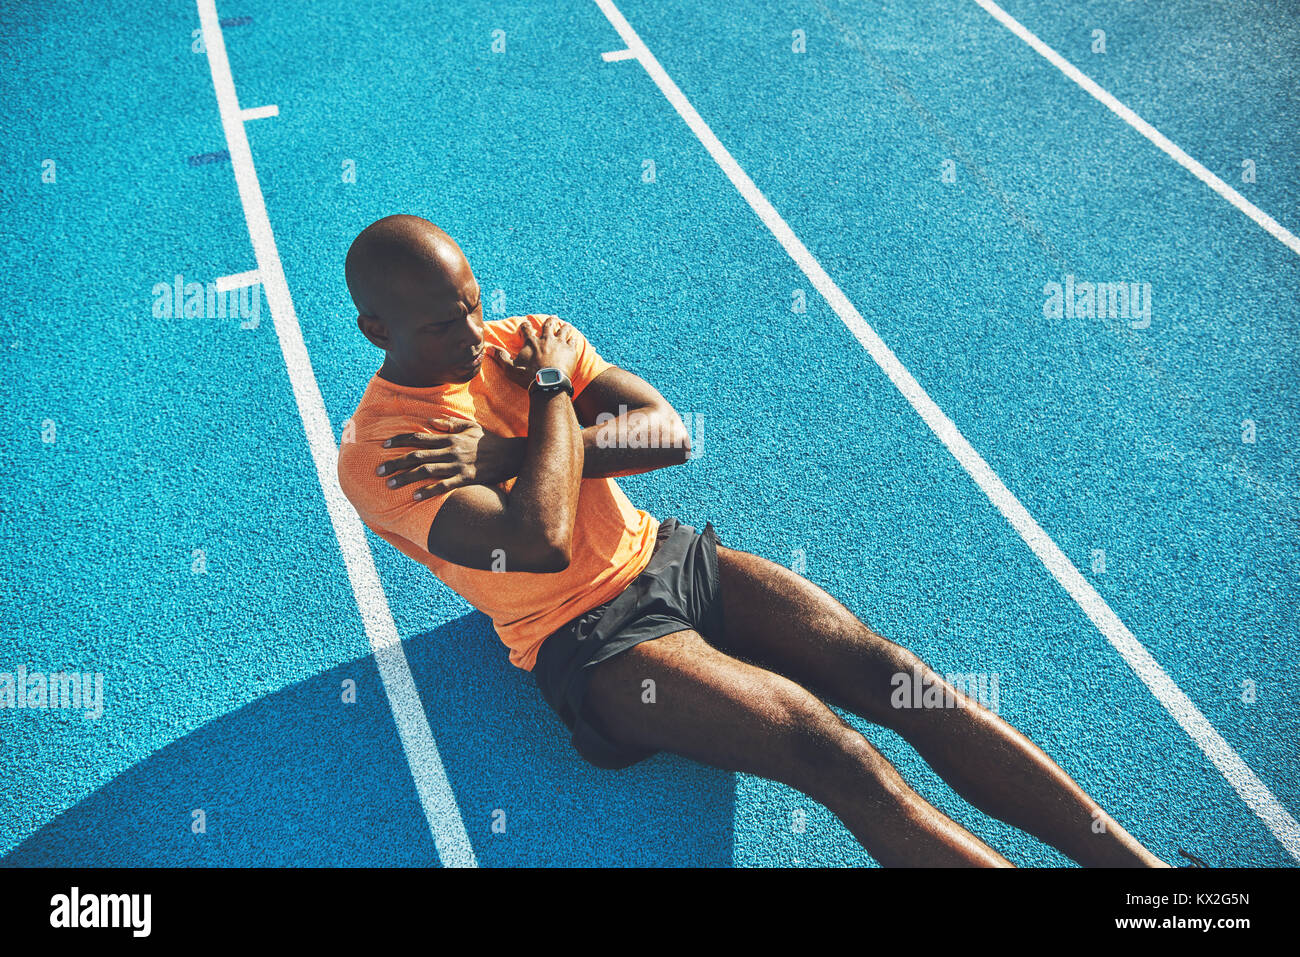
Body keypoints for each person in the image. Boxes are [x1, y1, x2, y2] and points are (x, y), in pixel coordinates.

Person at [336, 214, 1169, 867]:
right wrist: (554, 393)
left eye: (475, 302)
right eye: (446, 325)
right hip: (587, 634)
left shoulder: (518, 339)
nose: (477, 334)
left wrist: (517, 448)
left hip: (667, 557)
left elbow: (666, 433)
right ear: (377, 330)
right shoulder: (384, 453)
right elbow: (543, 538)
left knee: (900, 678)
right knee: (834, 753)